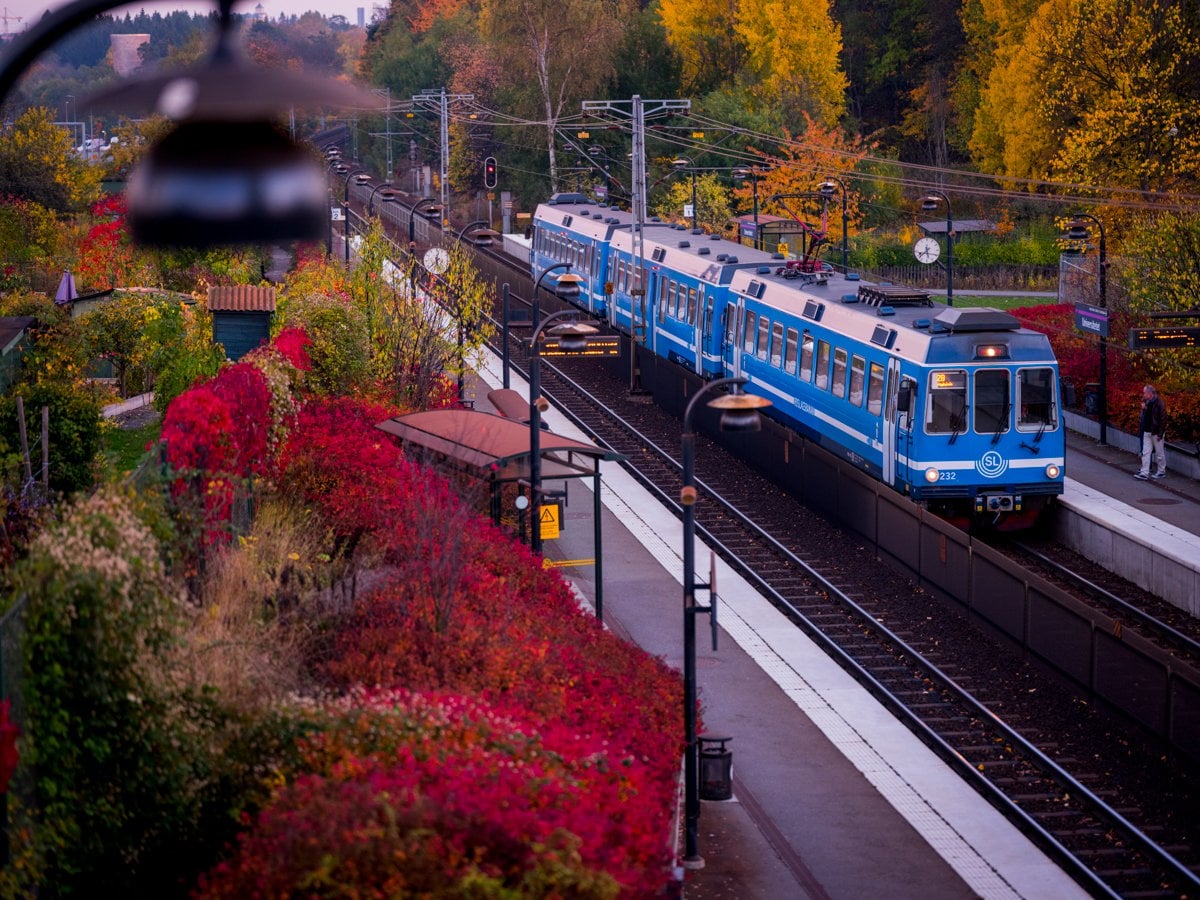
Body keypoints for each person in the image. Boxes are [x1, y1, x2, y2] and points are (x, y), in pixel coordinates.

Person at [1135, 384, 1167, 480]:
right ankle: (1144, 472)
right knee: (1146, 452)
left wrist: (1160, 433)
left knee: (1159, 453)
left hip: (1156, 432)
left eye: (1144, 393)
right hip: (1147, 431)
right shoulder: (1146, 402)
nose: (1143, 394)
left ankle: (1161, 471)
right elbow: (1145, 416)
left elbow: (1163, 419)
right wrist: (1144, 409)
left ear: (1150, 393)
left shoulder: (1159, 403)